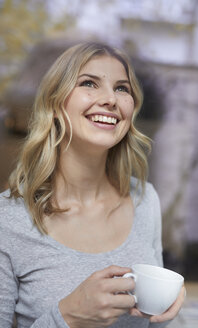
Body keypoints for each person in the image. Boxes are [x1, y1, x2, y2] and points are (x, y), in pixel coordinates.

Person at [0, 42, 185, 328]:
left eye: (122, 88)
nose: (110, 98)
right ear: (55, 103)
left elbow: (153, 323)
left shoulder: (145, 200)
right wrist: (67, 317)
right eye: (89, 83)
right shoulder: (7, 219)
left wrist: (167, 307)